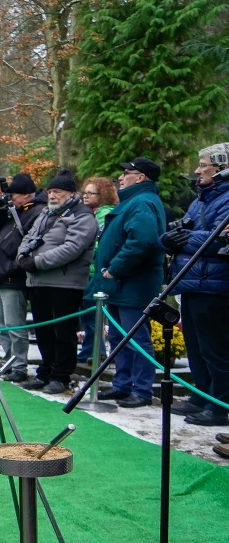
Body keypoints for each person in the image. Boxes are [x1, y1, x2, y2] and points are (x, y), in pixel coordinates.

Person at [88, 157, 166, 409]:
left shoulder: (142, 202)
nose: (121, 178)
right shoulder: (134, 201)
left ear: (140, 177)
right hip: (122, 285)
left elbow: (142, 241)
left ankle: (142, 390)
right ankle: (122, 385)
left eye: (127, 173)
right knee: (120, 337)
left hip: (133, 283)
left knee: (136, 337)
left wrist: (115, 268)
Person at [163, 143, 229, 427]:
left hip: (214, 284)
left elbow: (217, 237)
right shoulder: (201, 198)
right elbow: (182, 228)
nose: (197, 170)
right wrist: (168, 238)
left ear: (223, 168)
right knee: (196, 346)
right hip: (192, 281)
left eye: (204, 165)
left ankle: (219, 404)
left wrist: (184, 239)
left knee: (215, 348)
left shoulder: (225, 198)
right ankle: (200, 395)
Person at [15, 169, 98, 394]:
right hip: (38, 282)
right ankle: (45, 371)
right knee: (43, 332)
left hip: (65, 283)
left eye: (58, 191)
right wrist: (22, 256)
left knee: (63, 333)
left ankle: (61, 376)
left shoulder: (83, 215)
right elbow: (29, 237)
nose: (52, 195)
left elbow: (72, 248)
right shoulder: (45, 214)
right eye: (50, 191)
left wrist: (38, 262)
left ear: (71, 193)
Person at [77, 177, 119, 365]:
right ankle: (91, 349)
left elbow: (97, 242)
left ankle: (95, 351)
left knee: (93, 314)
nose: (85, 196)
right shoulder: (91, 212)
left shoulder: (104, 214)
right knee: (87, 314)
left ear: (102, 195)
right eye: (84, 193)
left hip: (95, 271)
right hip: (89, 270)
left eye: (90, 193)